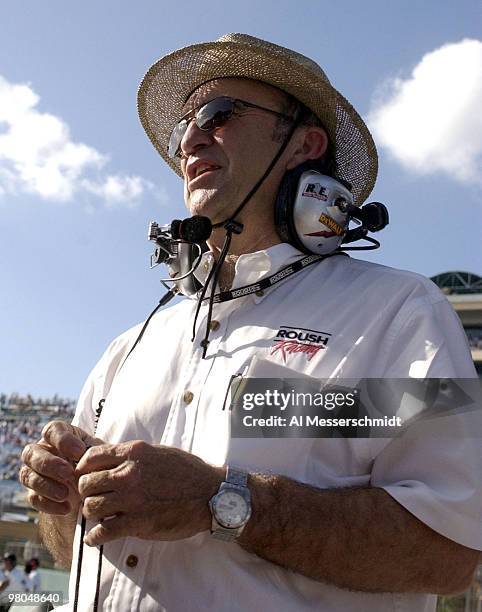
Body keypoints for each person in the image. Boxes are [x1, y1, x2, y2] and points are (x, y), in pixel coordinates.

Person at [19, 34, 481, 612]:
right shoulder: (131, 347)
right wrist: (58, 497)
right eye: (183, 125)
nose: (190, 138)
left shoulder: (399, 312)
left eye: (218, 114)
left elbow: (448, 551)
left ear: (303, 144)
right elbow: (75, 549)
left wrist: (218, 500)